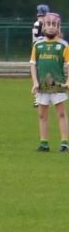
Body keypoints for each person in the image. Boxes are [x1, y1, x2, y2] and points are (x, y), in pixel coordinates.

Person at [29, 9, 69, 153]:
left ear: (58, 27)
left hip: (58, 84)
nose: (51, 26)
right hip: (43, 85)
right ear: (44, 27)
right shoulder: (38, 45)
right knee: (42, 114)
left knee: (61, 114)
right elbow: (33, 64)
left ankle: (65, 142)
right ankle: (44, 143)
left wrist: (68, 81)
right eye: (48, 24)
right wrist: (35, 82)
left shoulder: (63, 45)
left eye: (54, 24)